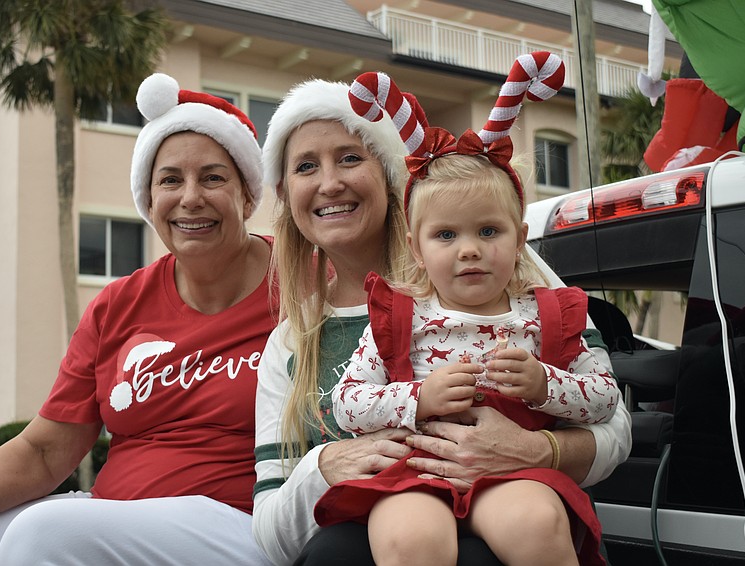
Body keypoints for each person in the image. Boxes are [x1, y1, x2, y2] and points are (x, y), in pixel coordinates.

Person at [253, 68, 632, 566]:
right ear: (284, 193)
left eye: (350, 157)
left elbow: (613, 424)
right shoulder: (291, 344)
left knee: (531, 527)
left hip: (513, 510)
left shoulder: (515, 282)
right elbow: (270, 535)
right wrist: (323, 465)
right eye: (305, 166)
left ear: (390, 174)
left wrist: (537, 449)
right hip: (394, 523)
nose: (330, 183)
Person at [0, 72, 275, 566]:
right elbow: (44, 451)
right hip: (111, 516)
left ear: (248, 195)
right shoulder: (118, 304)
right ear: (149, 199)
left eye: (212, 177)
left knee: (41, 536)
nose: (190, 198)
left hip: (242, 523)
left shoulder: (302, 284)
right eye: (170, 180)